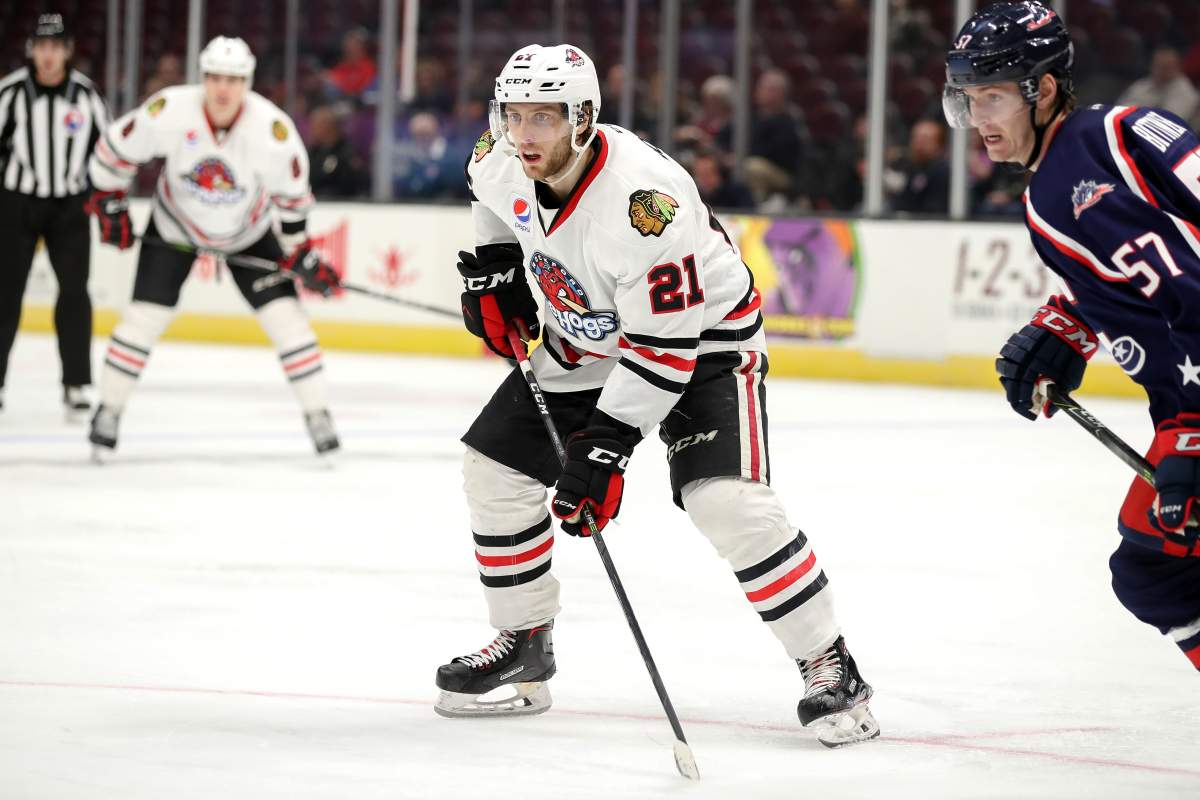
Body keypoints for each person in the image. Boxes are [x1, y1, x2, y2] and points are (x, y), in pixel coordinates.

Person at [435, 44, 879, 747]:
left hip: (702, 348)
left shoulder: (647, 203)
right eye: (514, 114)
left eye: (544, 117)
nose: (524, 134)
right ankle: (523, 637)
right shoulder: (499, 154)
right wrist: (494, 269)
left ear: (583, 119)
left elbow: (661, 350)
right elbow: (488, 196)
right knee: (494, 470)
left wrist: (604, 451)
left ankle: (830, 663)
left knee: (726, 502)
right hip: (587, 340)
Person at [944, 1, 1200, 670]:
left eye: (993, 97)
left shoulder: (1063, 186)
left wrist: (1195, 428)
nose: (978, 120)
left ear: (1045, 88)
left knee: (1157, 568)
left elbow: (1190, 281)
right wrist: (1074, 321)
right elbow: (1157, 263)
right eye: (968, 99)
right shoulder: (1117, 130)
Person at [85, 36, 343, 460]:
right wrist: (110, 203)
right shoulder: (169, 109)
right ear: (203, 78)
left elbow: (293, 202)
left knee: (289, 322)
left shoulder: (273, 132)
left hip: (249, 233)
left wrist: (301, 254)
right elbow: (113, 150)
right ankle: (108, 411)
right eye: (216, 78)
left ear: (248, 83)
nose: (223, 89)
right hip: (175, 229)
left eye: (234, 80)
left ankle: (318, 415)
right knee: (142, 319)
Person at [0, 14, 109, 418]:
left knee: (75, 294)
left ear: (67, 51)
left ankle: (76, 382)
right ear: (32, 49)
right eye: (41, 46)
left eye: (55, 47)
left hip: (69, 206)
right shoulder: (9, 94)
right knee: (4, 295)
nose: (48, 55)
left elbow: (107, 151)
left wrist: (104, 196)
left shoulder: (86, 95)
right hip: (16, 203)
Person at [1118, 47, 1200, 131]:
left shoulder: (1185, 90)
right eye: (1158, 65)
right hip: (1134, 130)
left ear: (1177, 67)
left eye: (1166, 67)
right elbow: (1121, 109)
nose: (1161, 70)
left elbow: (1168, 122)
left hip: (1169, 138)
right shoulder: (1142, 85)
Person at [889, 118, 950, 215]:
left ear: (940, 145)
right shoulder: (913, 168)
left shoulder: (943, 173)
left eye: (924, 139)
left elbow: (934, 212)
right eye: (915, 137)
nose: (918, 144)